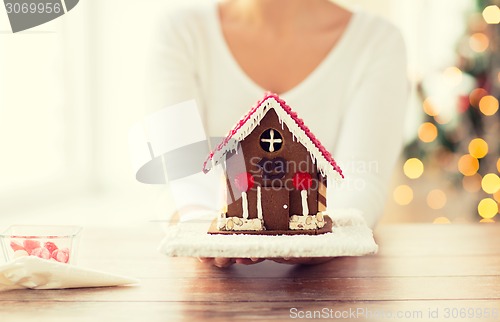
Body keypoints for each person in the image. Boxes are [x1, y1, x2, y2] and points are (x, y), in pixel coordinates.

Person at [149, 0, 408, 267]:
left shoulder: (376, 42)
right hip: (213, 282)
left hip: (326, 286)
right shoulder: (182, 32)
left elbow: (361, 179)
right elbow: (177, 171)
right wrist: (207, 234)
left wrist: (313, 236)